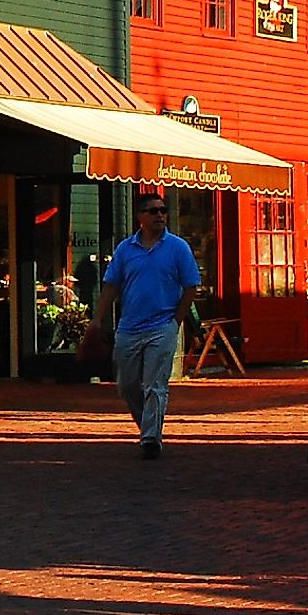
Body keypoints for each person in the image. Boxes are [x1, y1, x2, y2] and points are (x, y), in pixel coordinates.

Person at [98, 192, 200, 458]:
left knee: (156, 384)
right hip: (129, 327)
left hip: (162, 326)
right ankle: (147, 425)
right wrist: (96, 321)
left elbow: (191, 287)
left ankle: (151, 438)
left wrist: (176, 321)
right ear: (140, 217)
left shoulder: (178, 248)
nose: (160, 216)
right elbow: (111, 286)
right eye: (153, 211)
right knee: (128, 385)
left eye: (163, 211)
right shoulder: (125, 249)